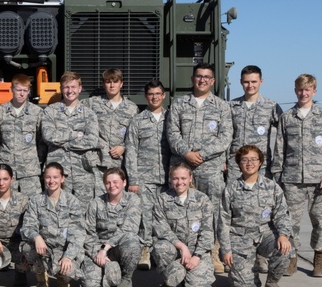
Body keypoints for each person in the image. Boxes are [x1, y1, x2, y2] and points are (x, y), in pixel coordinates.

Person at [167, 62, 232, 273]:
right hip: (183, 170)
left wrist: (202, 155)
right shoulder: (179, 104)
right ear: (192, 78)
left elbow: (225, 137)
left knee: (213, 213)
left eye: (207, 77)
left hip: (210, 170)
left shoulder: (222, 107)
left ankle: (212, 254)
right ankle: (181, 254)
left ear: (212, 81)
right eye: (199, 76)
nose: (202, 80)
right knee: (181, 212)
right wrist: (186, 153)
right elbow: (172, 133)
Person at [274, 73, 322, 277]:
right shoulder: (286, 117)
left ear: (314, 91)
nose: (303, 93)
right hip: (292, 180)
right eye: (300, 90)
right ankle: (291, 259)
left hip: (318, 181)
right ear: (295, 91)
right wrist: (278, 177)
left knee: (321, 222)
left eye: (307, 90)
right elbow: (279, 149)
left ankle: (319, 261)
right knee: (290, 223)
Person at [220, 145, 292, 287]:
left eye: (254, 159)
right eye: (244, 160)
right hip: (240, 238)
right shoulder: (230, 189)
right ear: (239, 164)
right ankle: (249, 269)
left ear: (260, 162)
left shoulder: (272, 187)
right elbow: (223, 221)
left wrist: (283, 235)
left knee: (285, 248)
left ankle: (272, 283)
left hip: (265, 234)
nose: (249, 163)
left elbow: (282, 214)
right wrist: (226, 250)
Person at [125, 79, 172, 271]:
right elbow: (131, 150)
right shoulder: (138, 120)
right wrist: (133, 179)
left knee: (166, 216)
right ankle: (145, 249)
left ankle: (163, 251)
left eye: (158, 94)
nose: (154, 97)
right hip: (144, 177)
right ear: (146, 96)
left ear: (164, 95)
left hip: (169, 177)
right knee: (145, 216)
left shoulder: (171, 118)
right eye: (151, 94)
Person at [20, 162, 86, 287]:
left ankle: (62, 278)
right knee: (27, 247)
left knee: (69, 269)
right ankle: (41, 281)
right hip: (45, 250)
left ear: (62, 179)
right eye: (48, 177)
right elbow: (27, 226)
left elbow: (78, 233)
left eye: (55, 177)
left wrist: (68, 256)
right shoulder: (36, 200)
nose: (51, 181)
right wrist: (37, 237)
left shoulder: (72, 201)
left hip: (64, 250)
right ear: (44, 178)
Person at [151, 162, 215, 287]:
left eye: (183, 178)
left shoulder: (202, 200)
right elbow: (161, 229)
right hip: (174, 250)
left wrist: (197, 256)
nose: (179, 182)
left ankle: (184, 277)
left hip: (197, 252)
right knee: (160, 247)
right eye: (175, 178)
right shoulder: (162, 200)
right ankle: (170, 280)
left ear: (190, 178)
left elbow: (207, 232)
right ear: (171, 179)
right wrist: (181, 246)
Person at [81, 168, 142, 287]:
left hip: (119, 249)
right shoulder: (95, 203)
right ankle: (110, 271)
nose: (111, 185)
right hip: (98, 250)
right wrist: (97, 254)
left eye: (115, 182)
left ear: (124, 182)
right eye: (108, 183)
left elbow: (128, 230)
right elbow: (88, 233)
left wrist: (105, 248)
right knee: (90, 286)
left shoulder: (133, 200)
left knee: (132, 241)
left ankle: (126, 278)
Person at [41, 71, 100, 200]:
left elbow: (92, 140)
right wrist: (75, 134)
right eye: (66, 87)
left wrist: (65, 143)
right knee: (55, 207)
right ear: (61, 89)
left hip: (83, 171)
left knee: (84, 210)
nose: (70, 91)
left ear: (80, 88)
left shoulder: (89, 114)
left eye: (73, 87)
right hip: (57, 172)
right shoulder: (51, 111)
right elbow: (49, 135)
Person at [87, 68, 138, 196]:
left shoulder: (132, 108)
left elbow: (136, 136)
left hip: (121, 163)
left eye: (115, 82)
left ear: (121, 83)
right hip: (99, 162)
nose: (112, 85)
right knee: (99, 199)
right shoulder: (93, 103)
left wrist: (124, 148)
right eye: (108, 82)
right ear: (104, 84)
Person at [228, 65, 282, 179]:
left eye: (254, 81)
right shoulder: (232, 106)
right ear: (241, 82)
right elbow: (225, 135)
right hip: (236, 165)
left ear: (261, 82)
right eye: (246, 82)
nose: (250, 85)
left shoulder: (271, 106)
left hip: (261, 165)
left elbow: (283, 133)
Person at [0, 73, 44, 193]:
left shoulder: (37, 112)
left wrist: (36, 161)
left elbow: (41, 142)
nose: (21, 94)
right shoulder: (1, 111)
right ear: (11, 89)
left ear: (29, 91)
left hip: (30, 172)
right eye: (18, 90)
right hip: (7, 172)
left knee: (33, 206)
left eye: (25, 90)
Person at [0, 164, 31, 287]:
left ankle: (21, 272)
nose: (1, 183)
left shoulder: (23, 200)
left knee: (29, 250)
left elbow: (30, 225)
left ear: (12, 179)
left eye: (5, 179)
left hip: (16, 242)